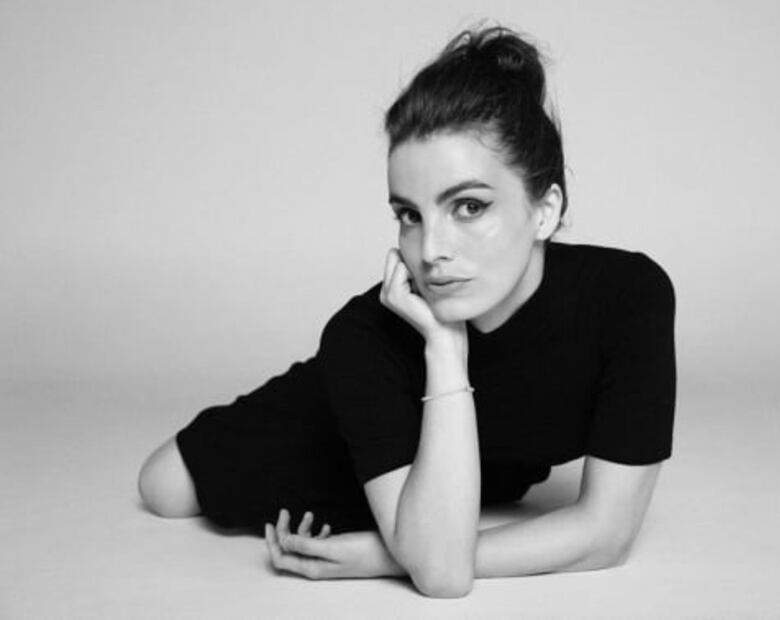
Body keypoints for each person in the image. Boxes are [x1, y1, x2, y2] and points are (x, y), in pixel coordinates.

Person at [137, 25, 676, 598]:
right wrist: (444, 346)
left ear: (545, 210)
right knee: (165, 486)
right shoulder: (364, 337)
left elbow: (606, 534)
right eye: (410, 215)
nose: (431, 250)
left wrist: (387, 552)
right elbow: (442, 575)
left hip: (450, 490)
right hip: (334, 453)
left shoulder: (628, 299)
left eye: (468, 206)